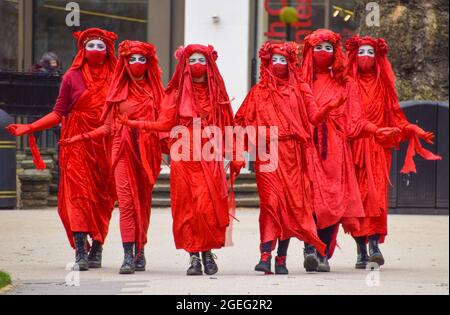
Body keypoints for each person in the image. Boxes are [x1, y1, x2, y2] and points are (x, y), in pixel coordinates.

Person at [6, 28, 118, 271]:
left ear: (108, 50)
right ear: (82, 50)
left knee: (103, 197)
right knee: (76, 196)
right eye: (91, 46)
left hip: (105, 143)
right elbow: (59, 113)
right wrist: (30, 127)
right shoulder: (71, 77)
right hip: (75, 142)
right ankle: (80, 251)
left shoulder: (117, 77)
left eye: (101, 46)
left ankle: (97, 246)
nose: (96, 51)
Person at [120, 44, 235, 276]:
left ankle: (207, 252)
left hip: (209, 154)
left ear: (210, 64)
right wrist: (136, 124)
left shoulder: (217, 92)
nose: (196, 65)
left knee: (208, 206)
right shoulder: (175, 94)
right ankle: (194, 257)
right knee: (187, 208)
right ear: (184, 64)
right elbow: (164, 124)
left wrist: (230, 155)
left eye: (201, 60)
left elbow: (227, 124)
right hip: (183, 156)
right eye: (191, 60)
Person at [60, 40, 165, 274]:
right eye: (132, 59)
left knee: (142, 205)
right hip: (122, 152)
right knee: (126, 203)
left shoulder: (157, 93)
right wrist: (81, 137)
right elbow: (107, 127)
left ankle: (140, 250)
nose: (137, 64)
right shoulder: (117, 92)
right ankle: (128, 256)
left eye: (142, 59)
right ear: (125, 62)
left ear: (149, 63)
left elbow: (166, 126)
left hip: (147, 155)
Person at [300, 29, 400, 272]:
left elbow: (355, 121)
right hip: (307, 148)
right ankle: (309, 248)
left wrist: (375, 131)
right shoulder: (300, 83)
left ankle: (323, 252)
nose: (323, 53)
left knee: (332, 204)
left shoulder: (345, 84)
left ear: (336, 52)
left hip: (336, 150)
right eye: (318, 48)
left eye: (328, 48)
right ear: (309, 52)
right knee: (310, 200)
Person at [234, 41, 336, 274]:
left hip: (293, 155)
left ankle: (281, 259)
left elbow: (314, 116)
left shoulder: (299, 90)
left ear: (290, 64)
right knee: (271, 204)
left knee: (290, 207)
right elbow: (241, 122)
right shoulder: (258, 92)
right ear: (267, 64)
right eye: (274, 61)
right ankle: (265, 255)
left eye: (283, 60)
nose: (278, 65)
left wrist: (329, 107)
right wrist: (238, 153)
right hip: (267, 154)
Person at [345, 35, 442, 268]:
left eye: (370, 53)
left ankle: (374, 246)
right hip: (356, 149)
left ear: (377, 58)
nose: (366, 57)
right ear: (354, 57)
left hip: (379, 152)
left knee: (376, 199)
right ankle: (360, 250)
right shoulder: (348, 84)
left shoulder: (384, 87)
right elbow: (346, 120)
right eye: (361, 53)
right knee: (358, 200)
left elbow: (396, 117)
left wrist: (411, 129)